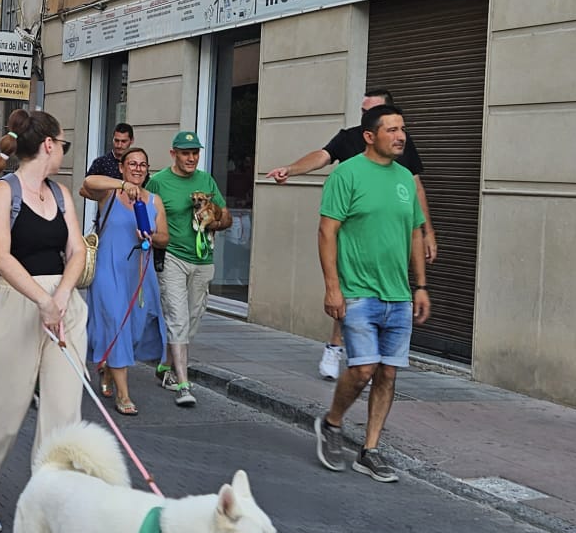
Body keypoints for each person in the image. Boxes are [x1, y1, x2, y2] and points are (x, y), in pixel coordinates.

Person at [0, 109, 87, 532]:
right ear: (48, 145)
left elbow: (77, 251)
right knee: (3, 411)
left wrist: (60, 296)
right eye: (62, 144)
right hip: (17, 302)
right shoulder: (5, 191)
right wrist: (42, 299)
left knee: (63, 416)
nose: (63, 151)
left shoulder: (62, 195)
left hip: (63, 306)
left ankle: (50, 515)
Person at [268, 88, 438, 378]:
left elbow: (415, 187)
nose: (363, 116)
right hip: (355, 235)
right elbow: (321, 156)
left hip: (390, 236)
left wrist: (427, 230)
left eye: (369, 110)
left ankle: (367, 365)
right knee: (354, 292)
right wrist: (291, 169)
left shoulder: (400, 145)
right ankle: (337, 350)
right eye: (362, 110)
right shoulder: (350, 138)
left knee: (375, 303)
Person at [312, 106, 430, 483]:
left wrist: (421, 286)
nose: (400, 136)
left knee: (388, 374)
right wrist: (333, 287)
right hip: (358, 291)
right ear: (369, 136)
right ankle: (332, 423)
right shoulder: (346, 174)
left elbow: (415, 233)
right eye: (392, 129)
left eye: (403, 129)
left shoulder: (405, 181)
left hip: (398, 294)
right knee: (363, 368)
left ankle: (370, 449)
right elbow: (327, 231)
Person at [82, 145, 168, 415]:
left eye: (142, 165)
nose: (137, 169)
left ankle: (108, 368)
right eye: (132, 164)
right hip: (109, 270)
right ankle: (124, 395)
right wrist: (122, 185)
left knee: (135, 328)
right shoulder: (110, 191)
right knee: (117, 321)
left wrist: (151, 236)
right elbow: (87, 183)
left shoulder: (154, 201)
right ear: (122, 167)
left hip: (140, 273)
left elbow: (165, 238)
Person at [146, 131, 230, 407]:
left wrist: (215, 222)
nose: (191, 157)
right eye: (185, 152)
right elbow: (146, 215)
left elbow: (225, 215)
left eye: (195, 152)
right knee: (178, 318)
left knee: (192, 320)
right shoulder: (158, 182)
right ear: (174, 154)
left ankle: (165, 366)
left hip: (203, 259)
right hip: (173, 257)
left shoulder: (206, 180)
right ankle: (182, 382)